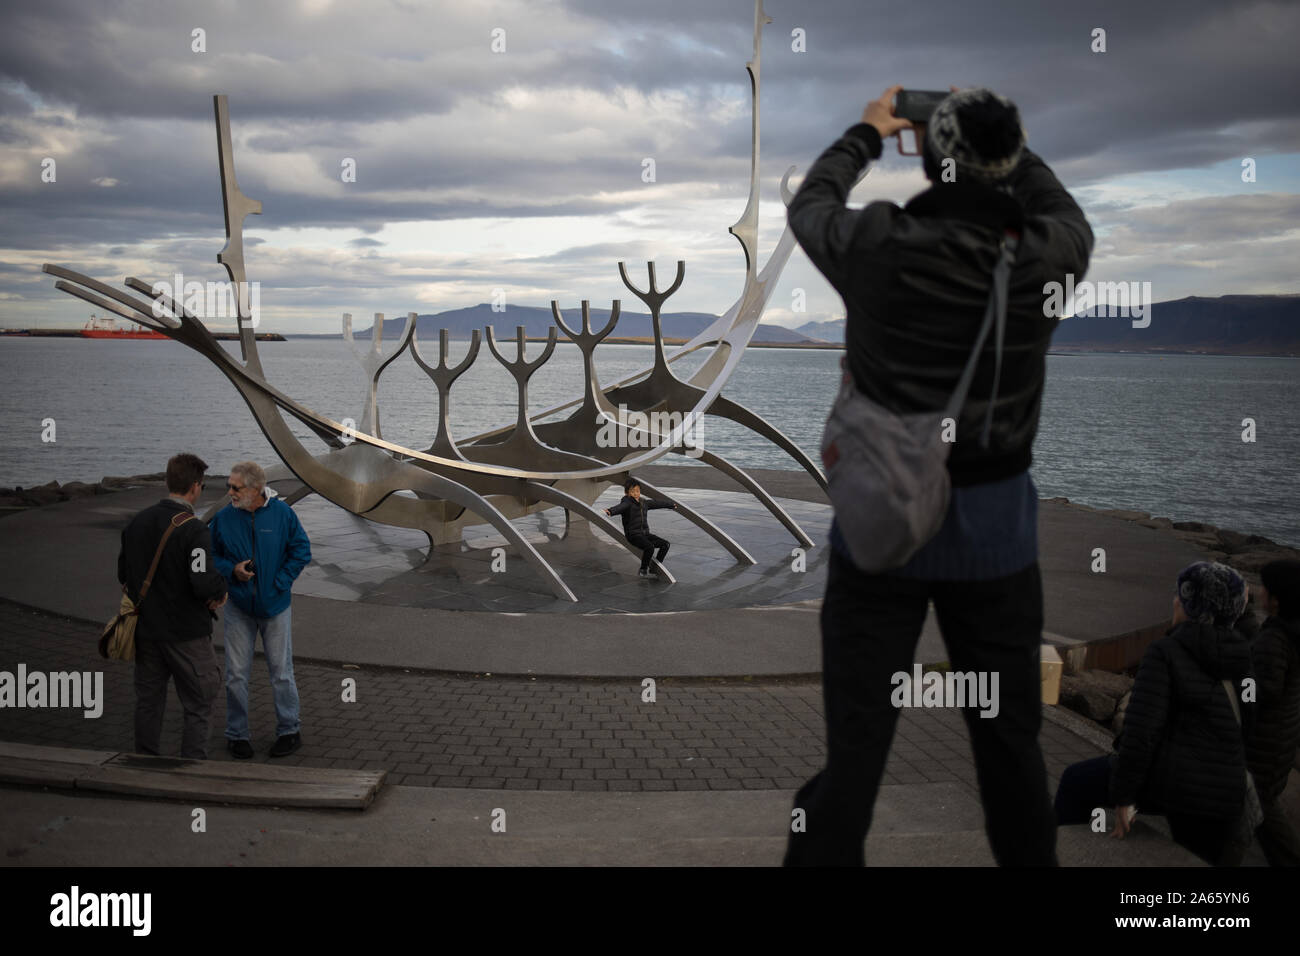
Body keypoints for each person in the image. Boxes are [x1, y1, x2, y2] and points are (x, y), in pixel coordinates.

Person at [782, 85, 1093, 866]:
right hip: (996, 537)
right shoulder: (1049, 255)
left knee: (855, 753)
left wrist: (867, 130)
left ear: (924, 150)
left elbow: (810, 201)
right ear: (1011, 157)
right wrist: (998, 141)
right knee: (1011, 751)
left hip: (882, 522)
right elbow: (1051, 198)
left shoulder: (878, 246)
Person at [1054, 562, 1256, 866]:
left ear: (1190, 604)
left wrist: (1124, 796)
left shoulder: (1166, 652)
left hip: (1174, 783)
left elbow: (1141, 733)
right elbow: (1248, 725)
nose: (1174, 599)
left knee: (1075, 781)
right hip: (1223, 791)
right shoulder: (1242, 655)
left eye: (1181, 594)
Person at [118, 452, 228, 759]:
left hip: (147, 631)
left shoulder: (137, 523)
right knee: (200, 700)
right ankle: (192, 768)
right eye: (202, 486)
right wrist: (222, 588)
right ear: (195, 487)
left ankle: (145, 761)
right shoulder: (194, 530)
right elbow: (202, 582)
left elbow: (123, 574)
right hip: (186, 632)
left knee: (149, 701)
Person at [210, 461, 312, 758]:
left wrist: (280, 582)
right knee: (236, 675)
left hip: (276, 606)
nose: (229, 492)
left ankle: (290, 731)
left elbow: (301, 550)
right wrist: (232, 570)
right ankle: (237, 735)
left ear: (255, 489)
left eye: (235, 487)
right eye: (229, 485)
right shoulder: (225, 518)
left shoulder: (282, 514)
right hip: (239, 607)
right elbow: (210, 554)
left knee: (281, 673)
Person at [1245, 559, 1300, 865]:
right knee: (1260, 809)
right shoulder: (1289, 633)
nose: (1257, 592)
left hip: (1265, 745)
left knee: (1263, 811)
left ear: (1276, 599)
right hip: (1280, 739)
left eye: (1263, 587)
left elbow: (1262, 691)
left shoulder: (1274, 640)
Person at [604, 478, 677, 577]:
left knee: (665, 544)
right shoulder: (627, 503)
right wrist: (610, 511)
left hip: (645, 534)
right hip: (633, 535)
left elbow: (657, 503)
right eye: (632, 491)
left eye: (637, 491)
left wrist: (670, 505)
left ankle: (655, 568)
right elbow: (620, 508)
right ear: (627, 493)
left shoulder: (644, 503)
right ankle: (643, 569)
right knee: (649, 547)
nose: (635, 493)